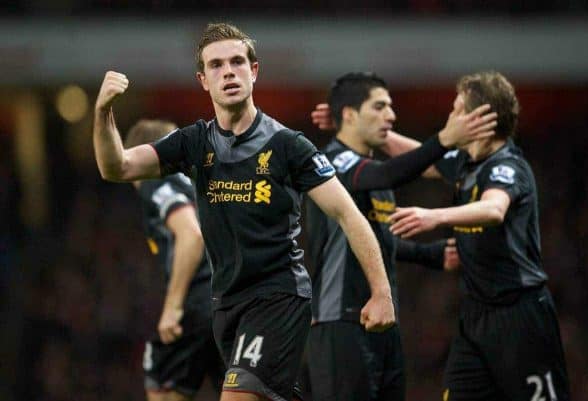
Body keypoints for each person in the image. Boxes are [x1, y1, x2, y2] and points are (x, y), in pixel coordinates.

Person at [93, 23, 395, 401]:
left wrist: (381, 292)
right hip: (226, 304)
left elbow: (350, 215)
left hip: (278, 297)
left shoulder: (288, 146)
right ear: (204, 80)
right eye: (216, 65)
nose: (229, 72)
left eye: (237, 61)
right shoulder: (193, 142)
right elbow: (116, 167)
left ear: (254, 71)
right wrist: (103, 112)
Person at [304, 72, 494, 401]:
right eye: (379, 107)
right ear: (349, 115)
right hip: (339, 322)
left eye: (391, 107)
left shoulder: (367, 168)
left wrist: (430, 255)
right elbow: (386, 173)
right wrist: (444, 139)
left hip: (382, 321)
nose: (391, 115)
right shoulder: (330, 162)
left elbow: (378, 239)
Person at [388, 71, 571, 401]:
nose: (449, 119)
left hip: (519, 315)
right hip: (476, 317)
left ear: (478, 119)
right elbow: (421, 158)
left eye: (456, 110)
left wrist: (435, 216)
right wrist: (369, 132)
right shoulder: (466, 161)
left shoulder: (508, 167)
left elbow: (493, 210)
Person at [124, 119, 223, 401]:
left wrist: (173, 306)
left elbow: (191, 235)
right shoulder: (201, 183)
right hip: (228, 304)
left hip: (195, 306)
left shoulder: (155, 181)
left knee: (162, 391)